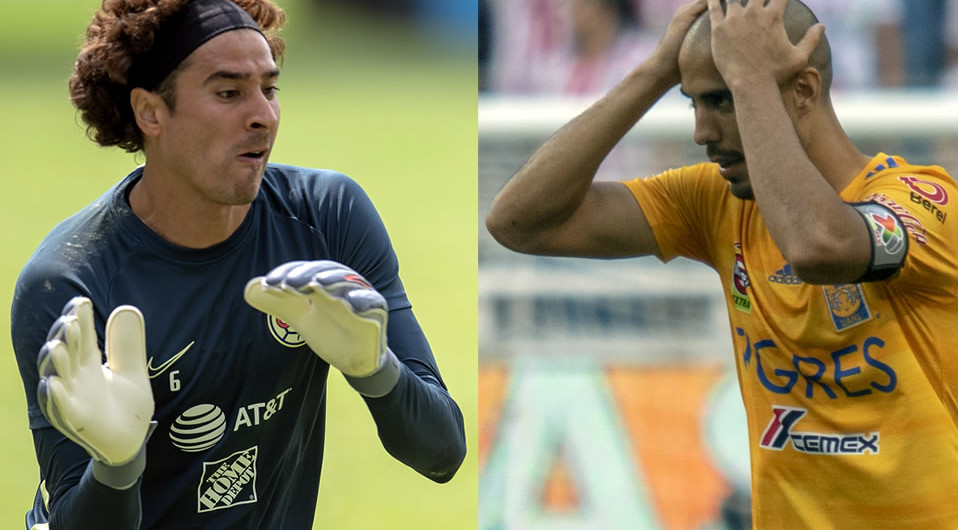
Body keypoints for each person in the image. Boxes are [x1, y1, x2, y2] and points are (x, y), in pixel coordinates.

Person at [486, 0, 958, 526]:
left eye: (723, 100)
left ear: (803, 90)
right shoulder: (716, 202)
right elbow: (519, 223)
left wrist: (751, 78)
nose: (702, 133)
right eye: (694, 103)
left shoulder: (926, 200)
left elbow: (821, 249)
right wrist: (654, 72)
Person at [11, 0, 466, 528]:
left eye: (269, 89)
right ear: (150, 112)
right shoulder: (68, 282)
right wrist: (116, 465)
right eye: (229, 93)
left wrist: (376, 370)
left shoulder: (327, 219)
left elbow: (442, 454)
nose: (263, 115)